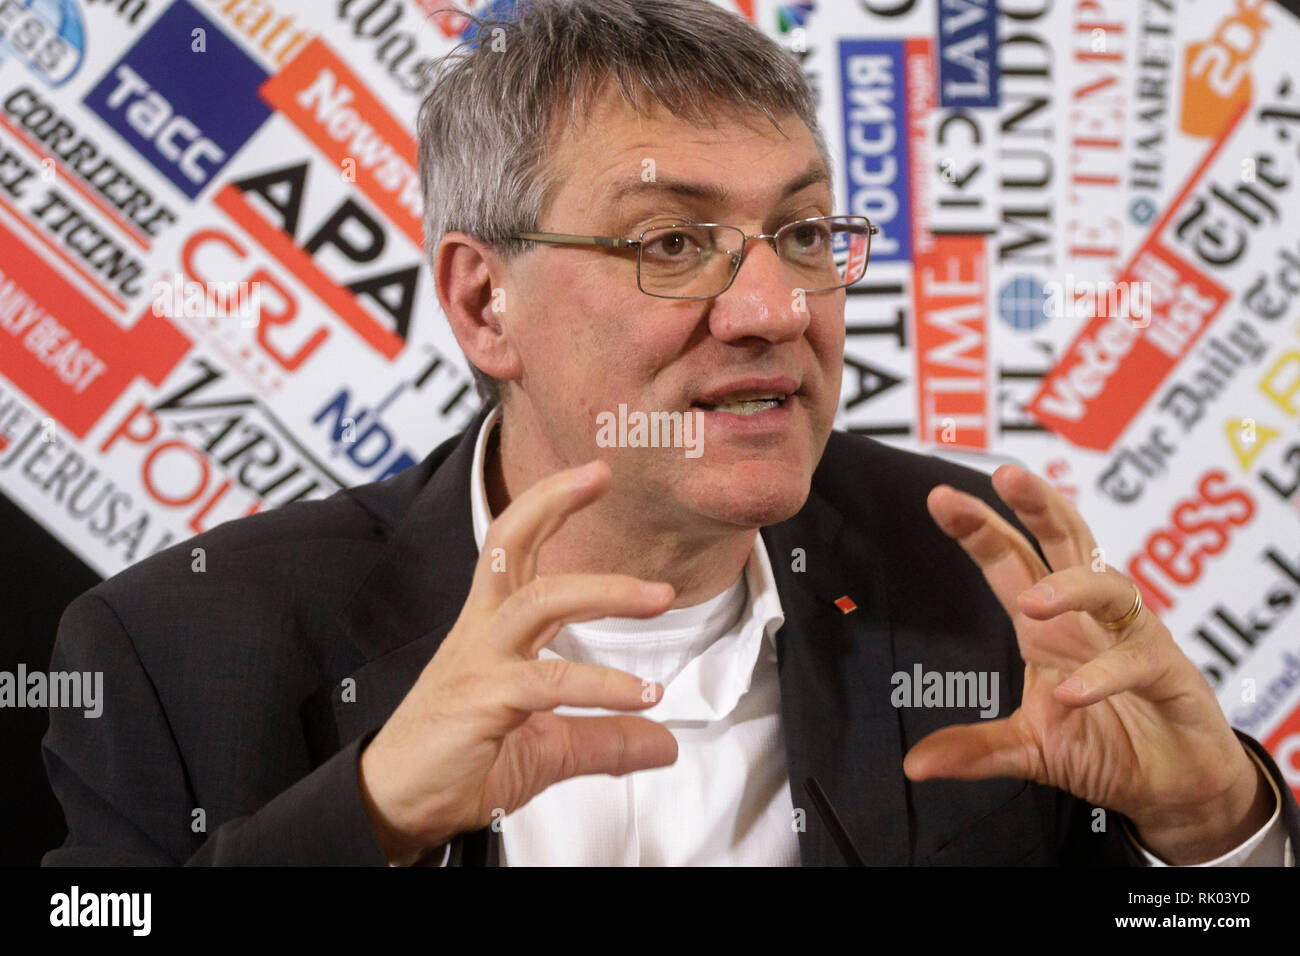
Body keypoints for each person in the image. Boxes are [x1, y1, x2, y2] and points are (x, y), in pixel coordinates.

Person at [43, 0, 1296, 866]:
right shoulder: (178, 648)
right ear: (486, 302)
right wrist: (365, 818)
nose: (772, 310)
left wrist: (1209, 829)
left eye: (804, 233)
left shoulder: (981, 580)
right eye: (669, 242)